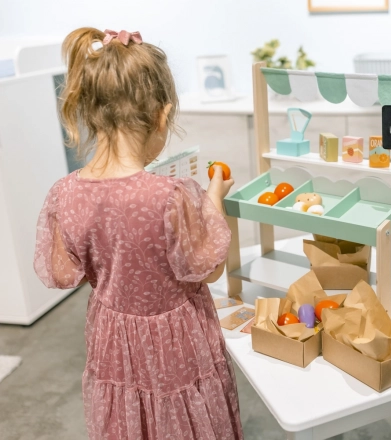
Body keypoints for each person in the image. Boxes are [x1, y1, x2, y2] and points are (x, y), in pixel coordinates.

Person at [33, 27, 242, 439]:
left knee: (128, 417)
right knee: (187, 416)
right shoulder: (172, 196)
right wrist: (214, 196)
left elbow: (63, 272)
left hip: (114, 341)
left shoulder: (65, 194)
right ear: (161, 116)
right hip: (178, 340)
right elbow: (210, 268)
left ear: (90, 112)